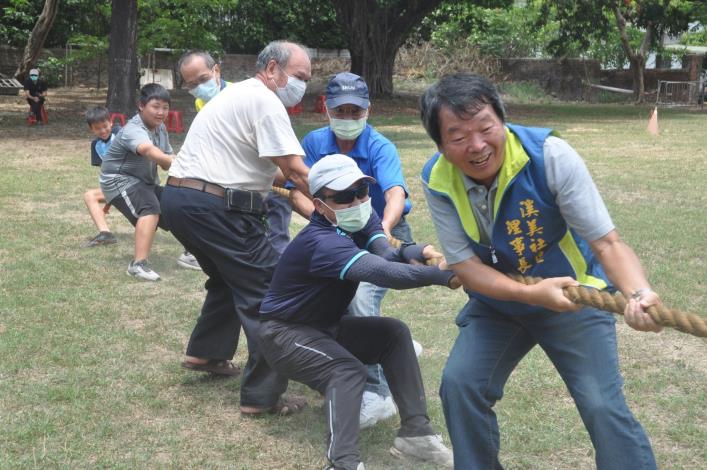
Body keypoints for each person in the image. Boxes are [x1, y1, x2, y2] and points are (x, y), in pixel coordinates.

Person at [419, 73, 660, 469]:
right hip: (499, 303)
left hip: (573, 297)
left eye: (485, 127)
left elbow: (608, 243)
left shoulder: (550, 156)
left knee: (601, 405)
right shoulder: (437, 178)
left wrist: (637, 293)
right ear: (441, 146)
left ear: (503, 120)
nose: (477, 145)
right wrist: (529, 294)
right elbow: (465, 266)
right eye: (458, 136)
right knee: (461, 386)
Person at [259, 154, 455, 470]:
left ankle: (416, 436)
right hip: (284, 335)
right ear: (320, 205)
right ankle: (342, 462)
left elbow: (386, 254)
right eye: (344, 196)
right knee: (346, 370)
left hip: (325, 327)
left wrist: (415, 251)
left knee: (392, 334)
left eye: (362, 190)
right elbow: (384, 273)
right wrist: (445, 275)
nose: (358, 200)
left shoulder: (360, 219)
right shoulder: (322, 242)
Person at [160, 40, 312, 408]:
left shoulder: (238, 95)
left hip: (180, 200)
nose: (303, 84)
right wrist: (344, 203)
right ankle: (262, 396)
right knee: (269, 291)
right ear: (273, 68)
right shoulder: (264, 100)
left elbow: (274, 171)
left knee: (230, 280)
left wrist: (302, 194)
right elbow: (294, 169)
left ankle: (205, 353)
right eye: (300, 76)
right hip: (217, 208)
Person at [295, 72, 417, 428]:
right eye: (340, 110)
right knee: (321, 302)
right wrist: (326, 219)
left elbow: (395, 193)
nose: (348, 118)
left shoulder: (380, 146)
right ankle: (355, 363)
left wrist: (380, 231)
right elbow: (299, 190)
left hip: (378, 232)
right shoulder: (315, 142)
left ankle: (376, 393)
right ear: (327, 110)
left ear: (367, 110)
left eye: (355, 111)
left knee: (362, 301)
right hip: (333, 232)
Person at [178, 50, 294, 255]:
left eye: (202, 79)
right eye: (191, 84)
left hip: (256, 166)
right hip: (223, 175)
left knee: (278, 204)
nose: (198, 88)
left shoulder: (241, 94)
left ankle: (278, 253)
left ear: (216, 71)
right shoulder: (200, 102)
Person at [99, 83, 174, 282]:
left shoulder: (160, 128)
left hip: (144, 182)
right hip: (118, 180)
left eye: (165, 108)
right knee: (150, 208)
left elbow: (167, 160)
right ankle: (137, 265)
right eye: (155, 106)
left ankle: (190, 254)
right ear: (141, 106)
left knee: (177, 204)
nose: (161, 112)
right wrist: (176, 161)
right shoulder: (133, 129)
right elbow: (149, 151)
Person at [82, 106, 120, 247]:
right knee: (89, 196)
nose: (103, 131)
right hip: (115, 187)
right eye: (98, 128)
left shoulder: (120, 133)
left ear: (111, 122)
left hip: (132, 183)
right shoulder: (95, 145)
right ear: (92, 129)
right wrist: (108, 202)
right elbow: (106, 175)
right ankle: (105, 234)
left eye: (105, 126)